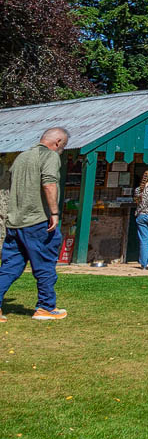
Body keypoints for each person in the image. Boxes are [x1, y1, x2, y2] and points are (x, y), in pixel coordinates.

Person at [0, 127, 70, 321]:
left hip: (15, 221)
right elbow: (49, 183)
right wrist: (54, 213)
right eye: (63, 147)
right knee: (45, 265)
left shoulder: (21, 157)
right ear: (57, 142)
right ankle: (46, 307)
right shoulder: (49, 156)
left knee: (9, 267)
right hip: (37, 221)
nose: (61, 150)